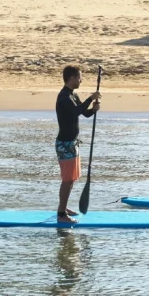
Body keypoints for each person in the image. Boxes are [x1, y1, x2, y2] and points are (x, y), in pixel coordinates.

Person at [55, 65, 100, 223]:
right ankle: (61, 215)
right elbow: (75, 111)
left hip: (72, 143)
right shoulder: (64, 97)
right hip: (64, 144)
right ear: (72, 78)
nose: (81, 80)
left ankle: (63, 206)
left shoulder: (73, 95)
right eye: (80, 77)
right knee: (67, 180)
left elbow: (83, 113)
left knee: (71, 179)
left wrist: (93, 109)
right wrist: (90, 98)